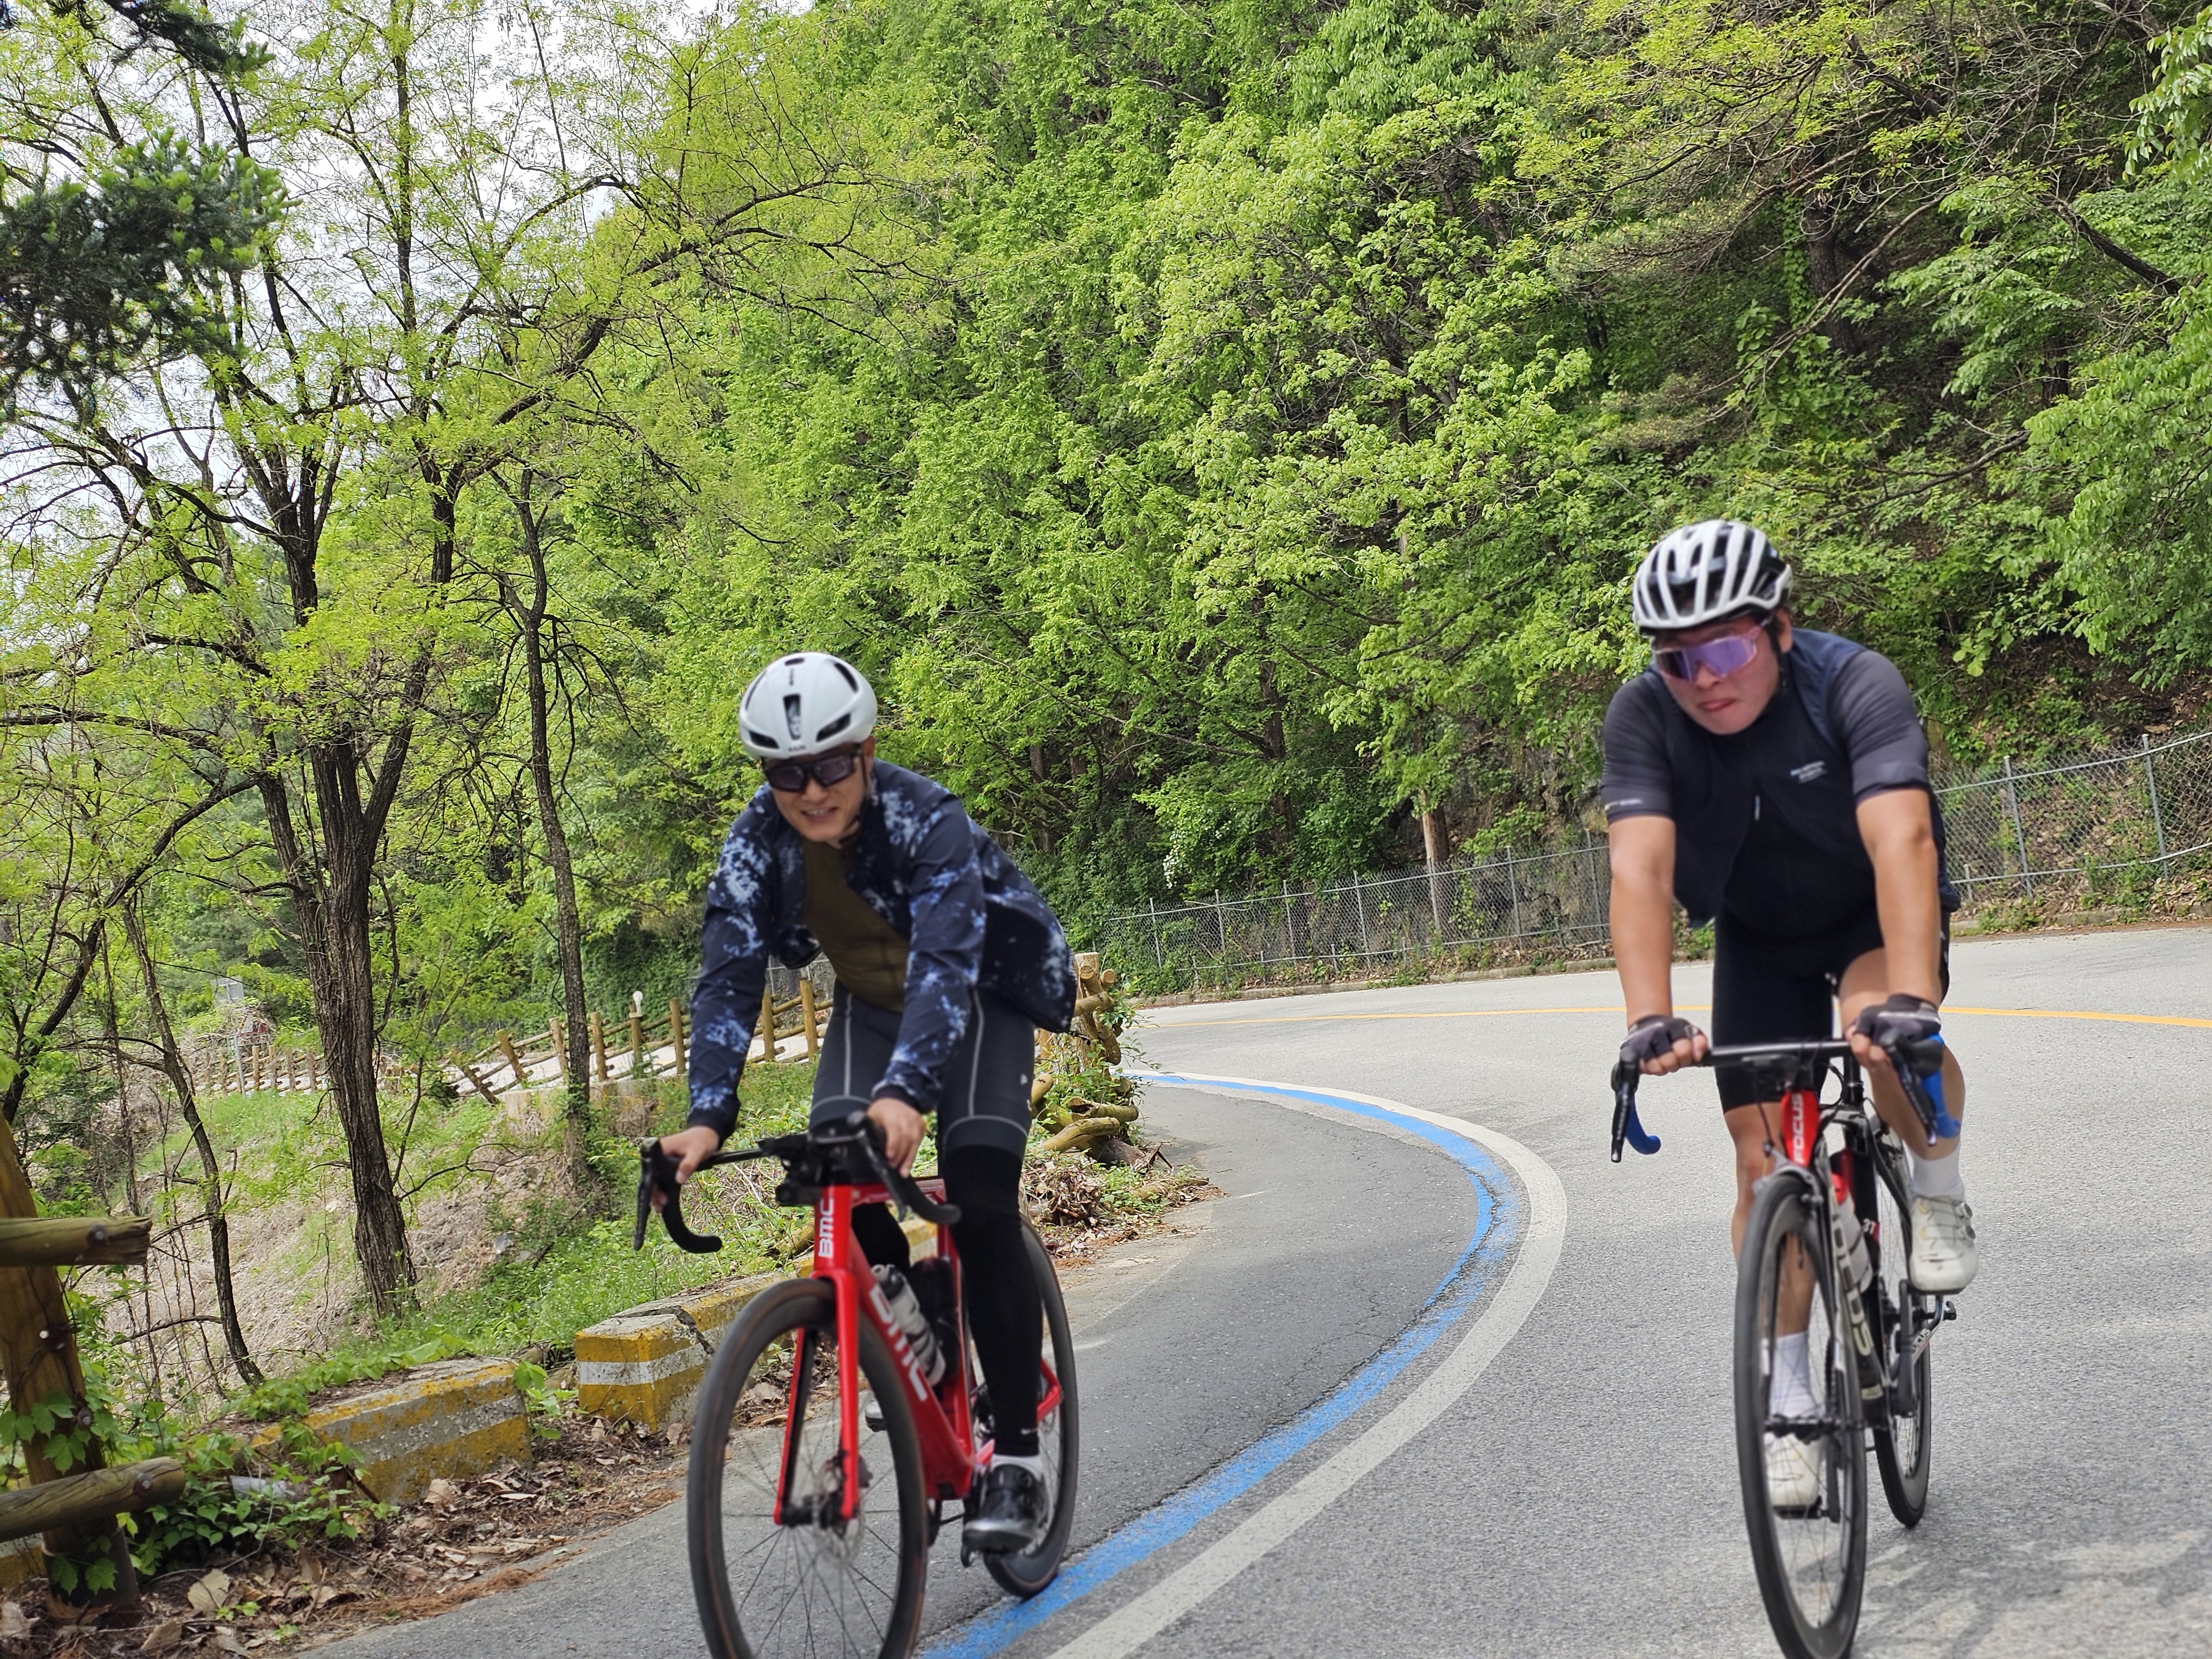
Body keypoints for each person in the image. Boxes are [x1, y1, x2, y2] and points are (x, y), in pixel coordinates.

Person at [658, 651, 1078, 1553]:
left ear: (866, 750)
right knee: (830, 1178)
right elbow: (728, 980)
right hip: (870, 1005)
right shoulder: (754, 844)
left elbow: (945, 965)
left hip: (979, 993)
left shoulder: (927, 820)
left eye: (831, 765)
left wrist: (906, 1096)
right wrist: (706, 1115)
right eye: (786, 772)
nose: (812, 791)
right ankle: (912, 1324)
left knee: (982, 1201)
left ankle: (1016, 1455)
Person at [1600, 519, 1977, 1506]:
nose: (1704, 678)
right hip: (1758, 936)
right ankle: (1792, 1406)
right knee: (1763, 1160)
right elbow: (1637, 865)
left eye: (1725, 647)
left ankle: (1936, 1182)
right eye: (1678, 659)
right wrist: (1649, 1016)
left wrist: (1912, 999)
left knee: (1891, 1046)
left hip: (1867, 915)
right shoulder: (1645, 717)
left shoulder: (1855, 684)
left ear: (1778, 630)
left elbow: (1903, 842)